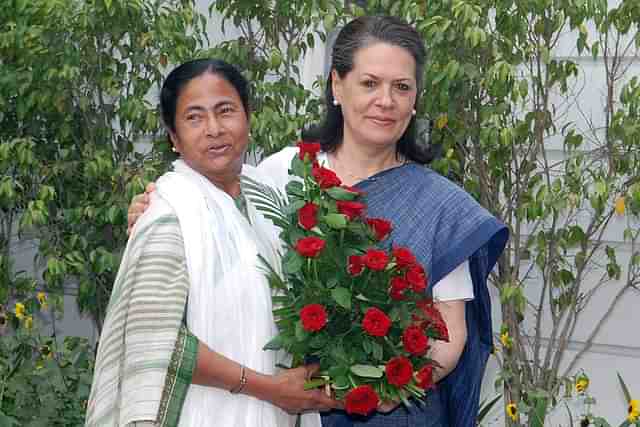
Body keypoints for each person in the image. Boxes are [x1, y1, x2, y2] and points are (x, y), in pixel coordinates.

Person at [128, 16, 508, 427]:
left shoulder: (441, 204)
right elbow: (208, 217)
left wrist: (385, 390)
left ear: (416, 99)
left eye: (402, 87)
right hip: (286, 411)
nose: (386, 100)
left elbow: (450, 335)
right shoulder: (282, 175)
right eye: (369, 83)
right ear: (336, 86)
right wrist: (152, 206)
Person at [86, 58, 340, 427]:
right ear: (173, 137)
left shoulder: (271, 199)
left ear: (248, 118)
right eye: (194, 117)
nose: (214, 129)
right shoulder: (168, 215)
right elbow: (158, 338)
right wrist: (268, 388)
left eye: (226, 111)